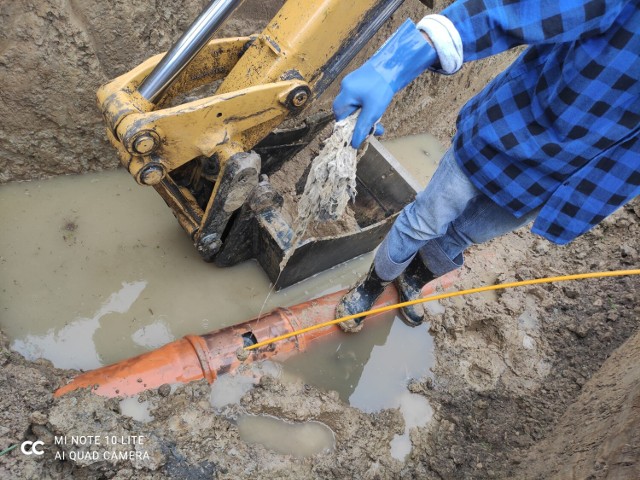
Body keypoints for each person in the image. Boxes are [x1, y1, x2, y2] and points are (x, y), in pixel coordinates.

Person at [333, 0, 640, 332]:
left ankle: (412, 279)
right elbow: (523, 9)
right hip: (509, 129)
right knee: (426, 220)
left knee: (467, 234)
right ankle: (372, 285)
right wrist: (400, 61)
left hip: (558, 178)